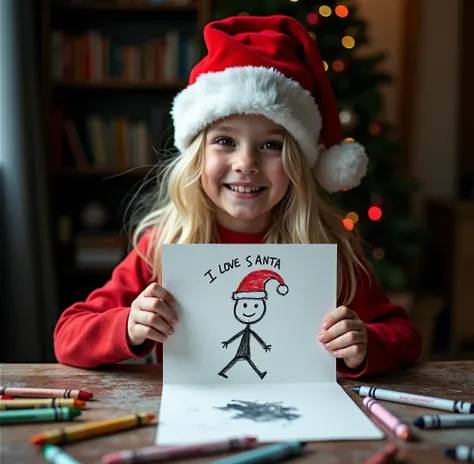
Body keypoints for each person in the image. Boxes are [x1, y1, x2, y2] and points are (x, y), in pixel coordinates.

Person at [54, 14, 422, 377]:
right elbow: (67, 335)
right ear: (196, 157)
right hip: (196, 422)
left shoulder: (328, 249)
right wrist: (128, 327)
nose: (246, 163)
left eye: (271, 145)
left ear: (299, 161)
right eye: (225, 141)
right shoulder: (163, 246)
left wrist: (364, 344)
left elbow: (405, 335)